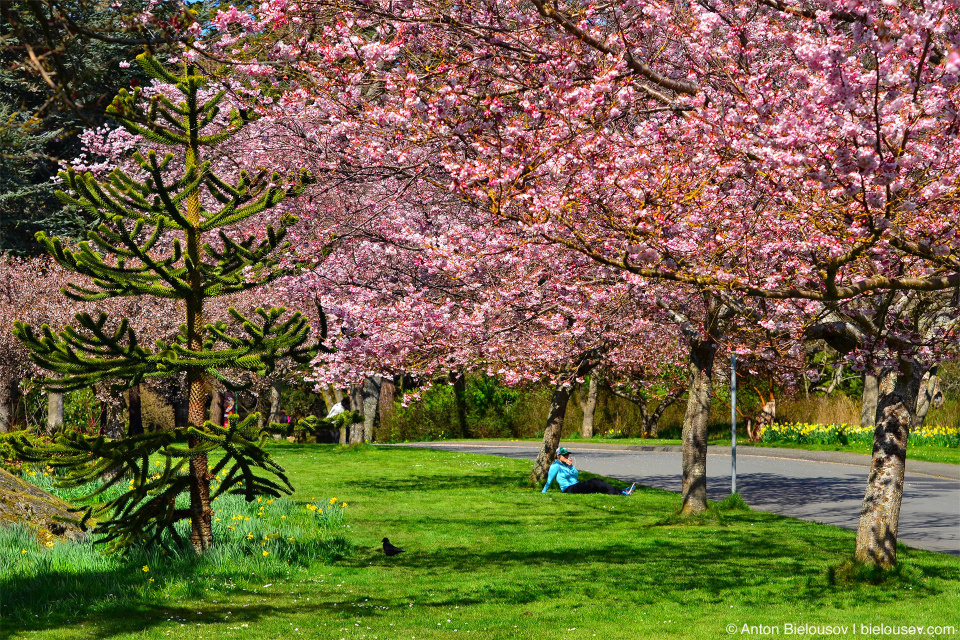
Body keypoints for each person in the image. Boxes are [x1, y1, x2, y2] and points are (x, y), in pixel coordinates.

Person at [541, 447, 636, 496]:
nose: (567, 457)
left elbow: (576, 475)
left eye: (567, 455)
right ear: (558, 456)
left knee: (599, 484)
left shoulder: (567, 464)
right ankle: (622, 493)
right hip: (568, 489)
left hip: (576, 485)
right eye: (564, 455)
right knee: (595, 481)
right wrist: (543, 492)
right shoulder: (555, 466)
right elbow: (549, 481)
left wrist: (570, 467)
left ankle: (622, 491)